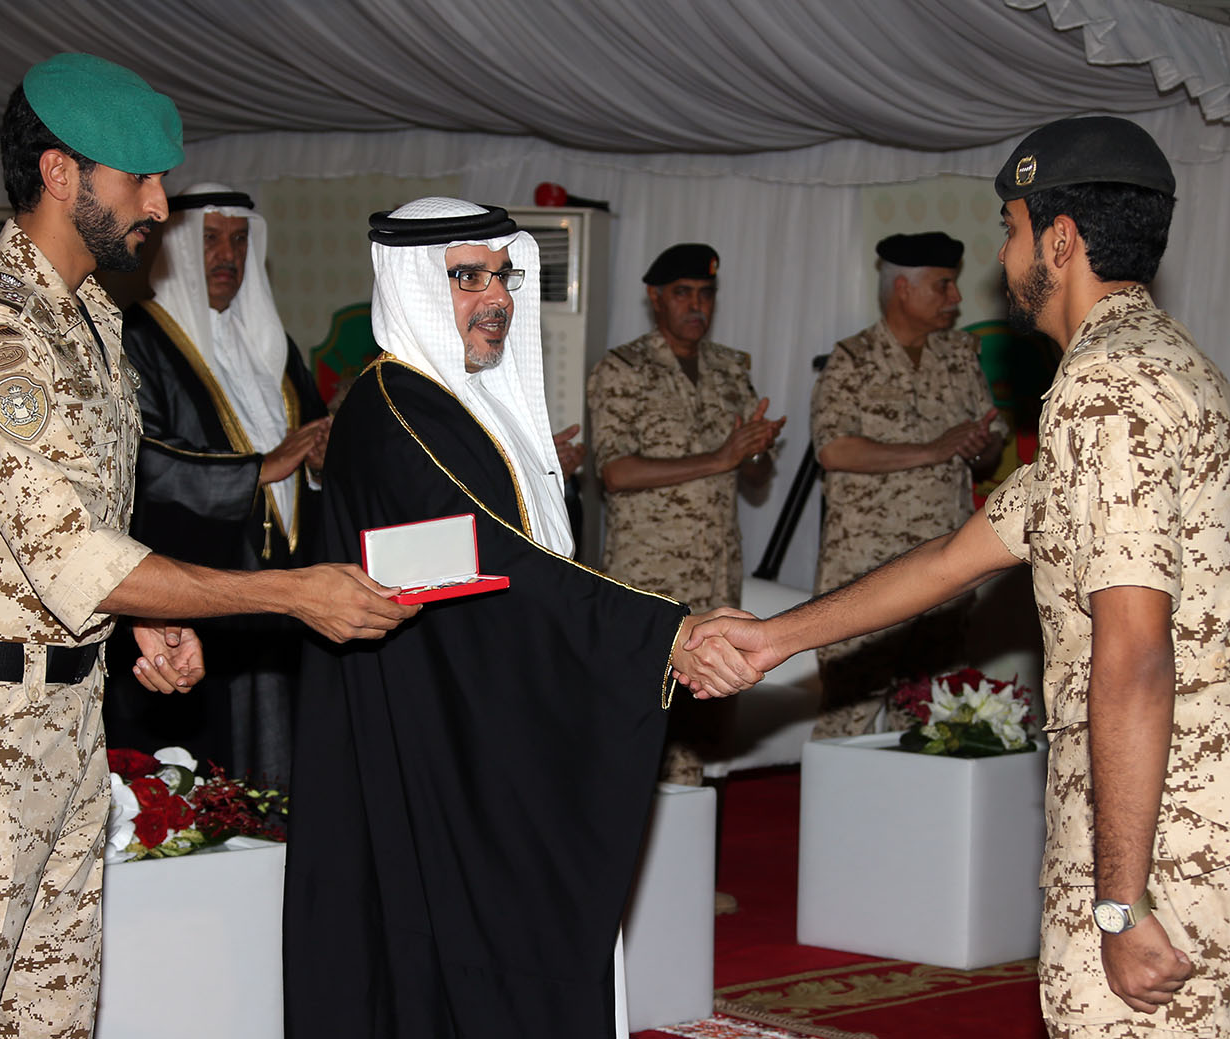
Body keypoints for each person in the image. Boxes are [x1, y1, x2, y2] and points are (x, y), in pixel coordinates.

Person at [686, 116, 1230, 1038]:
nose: (1002, 256)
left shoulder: (1108, 390)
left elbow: (1133, 653)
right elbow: (956, 557)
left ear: (1061, 240)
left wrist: (1119, 902)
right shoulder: (1161, 364)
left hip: (1174, 837)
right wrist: (774, 639)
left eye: (1011, 228)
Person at [0, 53, 415, 1039]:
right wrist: (289, 592)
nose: (159, 205)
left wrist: (142, 615)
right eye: (139, 179)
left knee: (51, 1018)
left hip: (64, 714)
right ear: (60, 172)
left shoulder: (88, 318)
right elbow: (76, 558)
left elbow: (82, 523)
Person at [282, 198, 758, 1039]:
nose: (496, 297)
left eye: (503, 276)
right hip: (430, 737)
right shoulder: (395, 411)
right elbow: (493, 559)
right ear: (415, 285)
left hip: (467, 713)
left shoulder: (454, 399)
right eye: (467, 278)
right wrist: (661, 634)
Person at [106, 183, 330, 780]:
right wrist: (257, 469)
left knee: (287, 759)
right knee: (205, 772)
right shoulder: (136, 339)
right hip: (191, 593)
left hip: (280, 583)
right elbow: (140, 459)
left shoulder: (274, 344)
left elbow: (306, 436)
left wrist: (316, 461)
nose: (227, 255)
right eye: (209, 239)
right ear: (177, 246)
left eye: (238, 240)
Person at [586, 243, 784, 785]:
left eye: (706, 294)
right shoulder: (622, 369)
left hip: (716, 573)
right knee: (639, 722)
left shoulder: (730, 368)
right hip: (649, 578)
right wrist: (721, 456)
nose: (697, 305)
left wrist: (757, 450)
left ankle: (690, 825)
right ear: (655, 298)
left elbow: (754, 477)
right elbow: (615, 472)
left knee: (703, 727)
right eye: (682, 293)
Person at [811, 231, 1005, 738]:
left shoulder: (960, 357)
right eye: (943, 285)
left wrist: (978, 446)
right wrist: (933, 449)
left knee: (932, 721)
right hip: (865, 573)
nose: (955, 297)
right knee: (847, 720)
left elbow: (989, 451)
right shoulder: (852, 360)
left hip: (944, 567)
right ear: (903, 288)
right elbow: (833, 450)